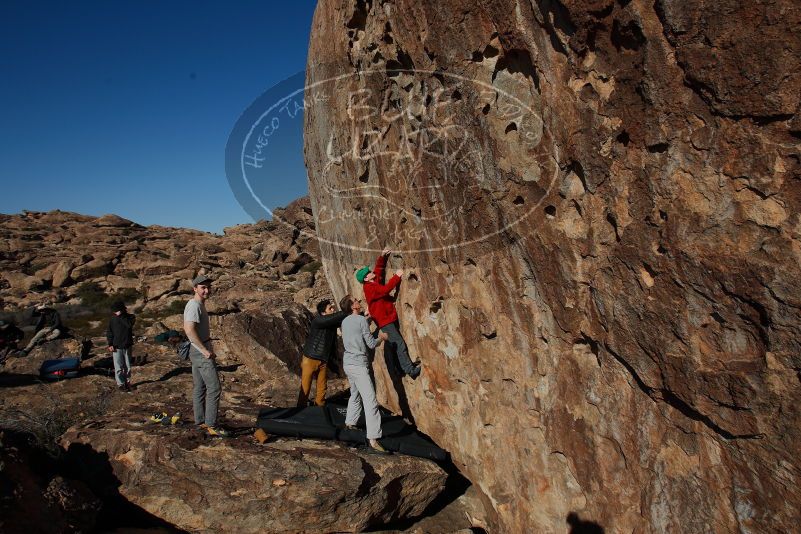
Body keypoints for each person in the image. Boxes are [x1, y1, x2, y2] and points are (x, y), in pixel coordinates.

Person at [356, 248, 421, 379]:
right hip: (385, 320)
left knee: (393, 345)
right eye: (368, 273)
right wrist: (397, 276)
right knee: (399, 343)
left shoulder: (372, 282)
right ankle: (410, 370)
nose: (371, 272)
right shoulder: (370, 288)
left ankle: (398, 370)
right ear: (366, 278)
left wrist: (382, 257)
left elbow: (378, 270)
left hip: (387, 318)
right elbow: (385, 289)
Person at [339, 295, 390, 454]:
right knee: (370, 400)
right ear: (352, 306)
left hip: (348, 363)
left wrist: (366, 319)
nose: (359, 302)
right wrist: (381, 338)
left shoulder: (345, 321)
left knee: (355, 394)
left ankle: (350, 423)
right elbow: (370, 343)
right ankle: (373, 439)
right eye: (356, 301)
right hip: (359, 365)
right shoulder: (360, 320)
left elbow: (357, 328)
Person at [183, 275, 228, 437]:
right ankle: (211, 425)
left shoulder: (199, 304)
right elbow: (189, 330)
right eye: (203, 287)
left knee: (200, 387)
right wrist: (204, 350)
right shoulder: (194, 305)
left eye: (208, 287)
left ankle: (200, 421)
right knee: (214, 387)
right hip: (199, 351)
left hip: (198, 349)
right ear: (195, 288)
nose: (207, 290)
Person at [297, 298, 349, 407]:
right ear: (323, 313)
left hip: (323, 360)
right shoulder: (318, 320)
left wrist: (363, 314)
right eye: (330, 308)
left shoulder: (331, 322)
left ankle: (320, 408)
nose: (333, 309)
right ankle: (300, 410)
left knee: (322, 387)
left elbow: (345, 319)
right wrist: (348, 309)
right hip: (310, 359)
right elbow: (337, 317)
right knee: (305, 387)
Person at [106, 301, 135, 391]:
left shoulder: (131, 317)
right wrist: (110, 344)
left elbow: (128, 325)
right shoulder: (112, 319)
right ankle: (121, 384)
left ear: (122, 310)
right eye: (114, 311)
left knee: (127, 366)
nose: (115, 312)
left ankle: (128, 382)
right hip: (116, 346)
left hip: (127, 345)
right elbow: (109, 332)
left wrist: (121, 316)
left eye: (116, 310)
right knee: (118, 367)